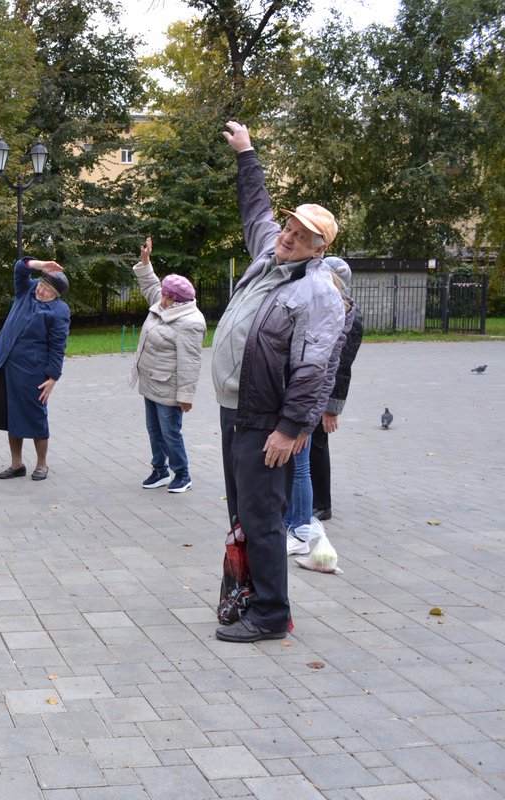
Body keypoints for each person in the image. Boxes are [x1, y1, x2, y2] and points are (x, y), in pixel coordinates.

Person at [211, 121, 346, 642]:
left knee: (265, 518)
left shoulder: (319, 292)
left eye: (300, 236)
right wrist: (247, 154)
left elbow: (316, 369)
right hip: (235, 410)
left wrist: (291, 429)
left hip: (269, 421)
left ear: (318, 249)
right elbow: (255, 210)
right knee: (243, 513)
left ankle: (271, 614)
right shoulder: (271, 256)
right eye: (288, 228)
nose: (287, 236)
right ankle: (245, 593)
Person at [285, 262, 357, 554]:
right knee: (298, 463)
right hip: (305, 398)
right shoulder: (323, 308)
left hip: (310, 401)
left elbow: (334, 370)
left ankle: (302, 526)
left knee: (302, 464)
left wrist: (328, 409)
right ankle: (296, 521)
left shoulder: (337, 314)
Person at [129, 237, 207, 494]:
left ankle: (182, 474)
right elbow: (150, 284)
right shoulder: (162, 304)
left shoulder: (191, 322)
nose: (161, 299)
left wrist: (185, 396)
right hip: (151, 382)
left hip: (170, 387)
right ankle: (160, 470)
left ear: (179, 300)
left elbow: (191, 362)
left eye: (167, 297)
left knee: (170, 433)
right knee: (154, 431)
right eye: (162, 294)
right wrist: (145, 262)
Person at [0, 256, 70, 481]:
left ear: (57, 295)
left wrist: (53, 377)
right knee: (11, 415)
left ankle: (42, 464)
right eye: (42, 285)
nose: (42, 291)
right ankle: (17, 464)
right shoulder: (26, 291)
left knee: (35, 416)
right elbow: (19, 268)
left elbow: (58, 346)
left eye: (48, 290)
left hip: (33, 373)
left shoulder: (59, 311)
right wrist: (41, 266)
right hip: (6, 365)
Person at [310, 269, 364, 522]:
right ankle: (311, 499)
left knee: (317, 445)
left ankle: (322, 504)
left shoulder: (348, 315)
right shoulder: (330, 308)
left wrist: (332, 408)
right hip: (312, 391)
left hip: (324, 394)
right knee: (310, 446)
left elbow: (342, 367)